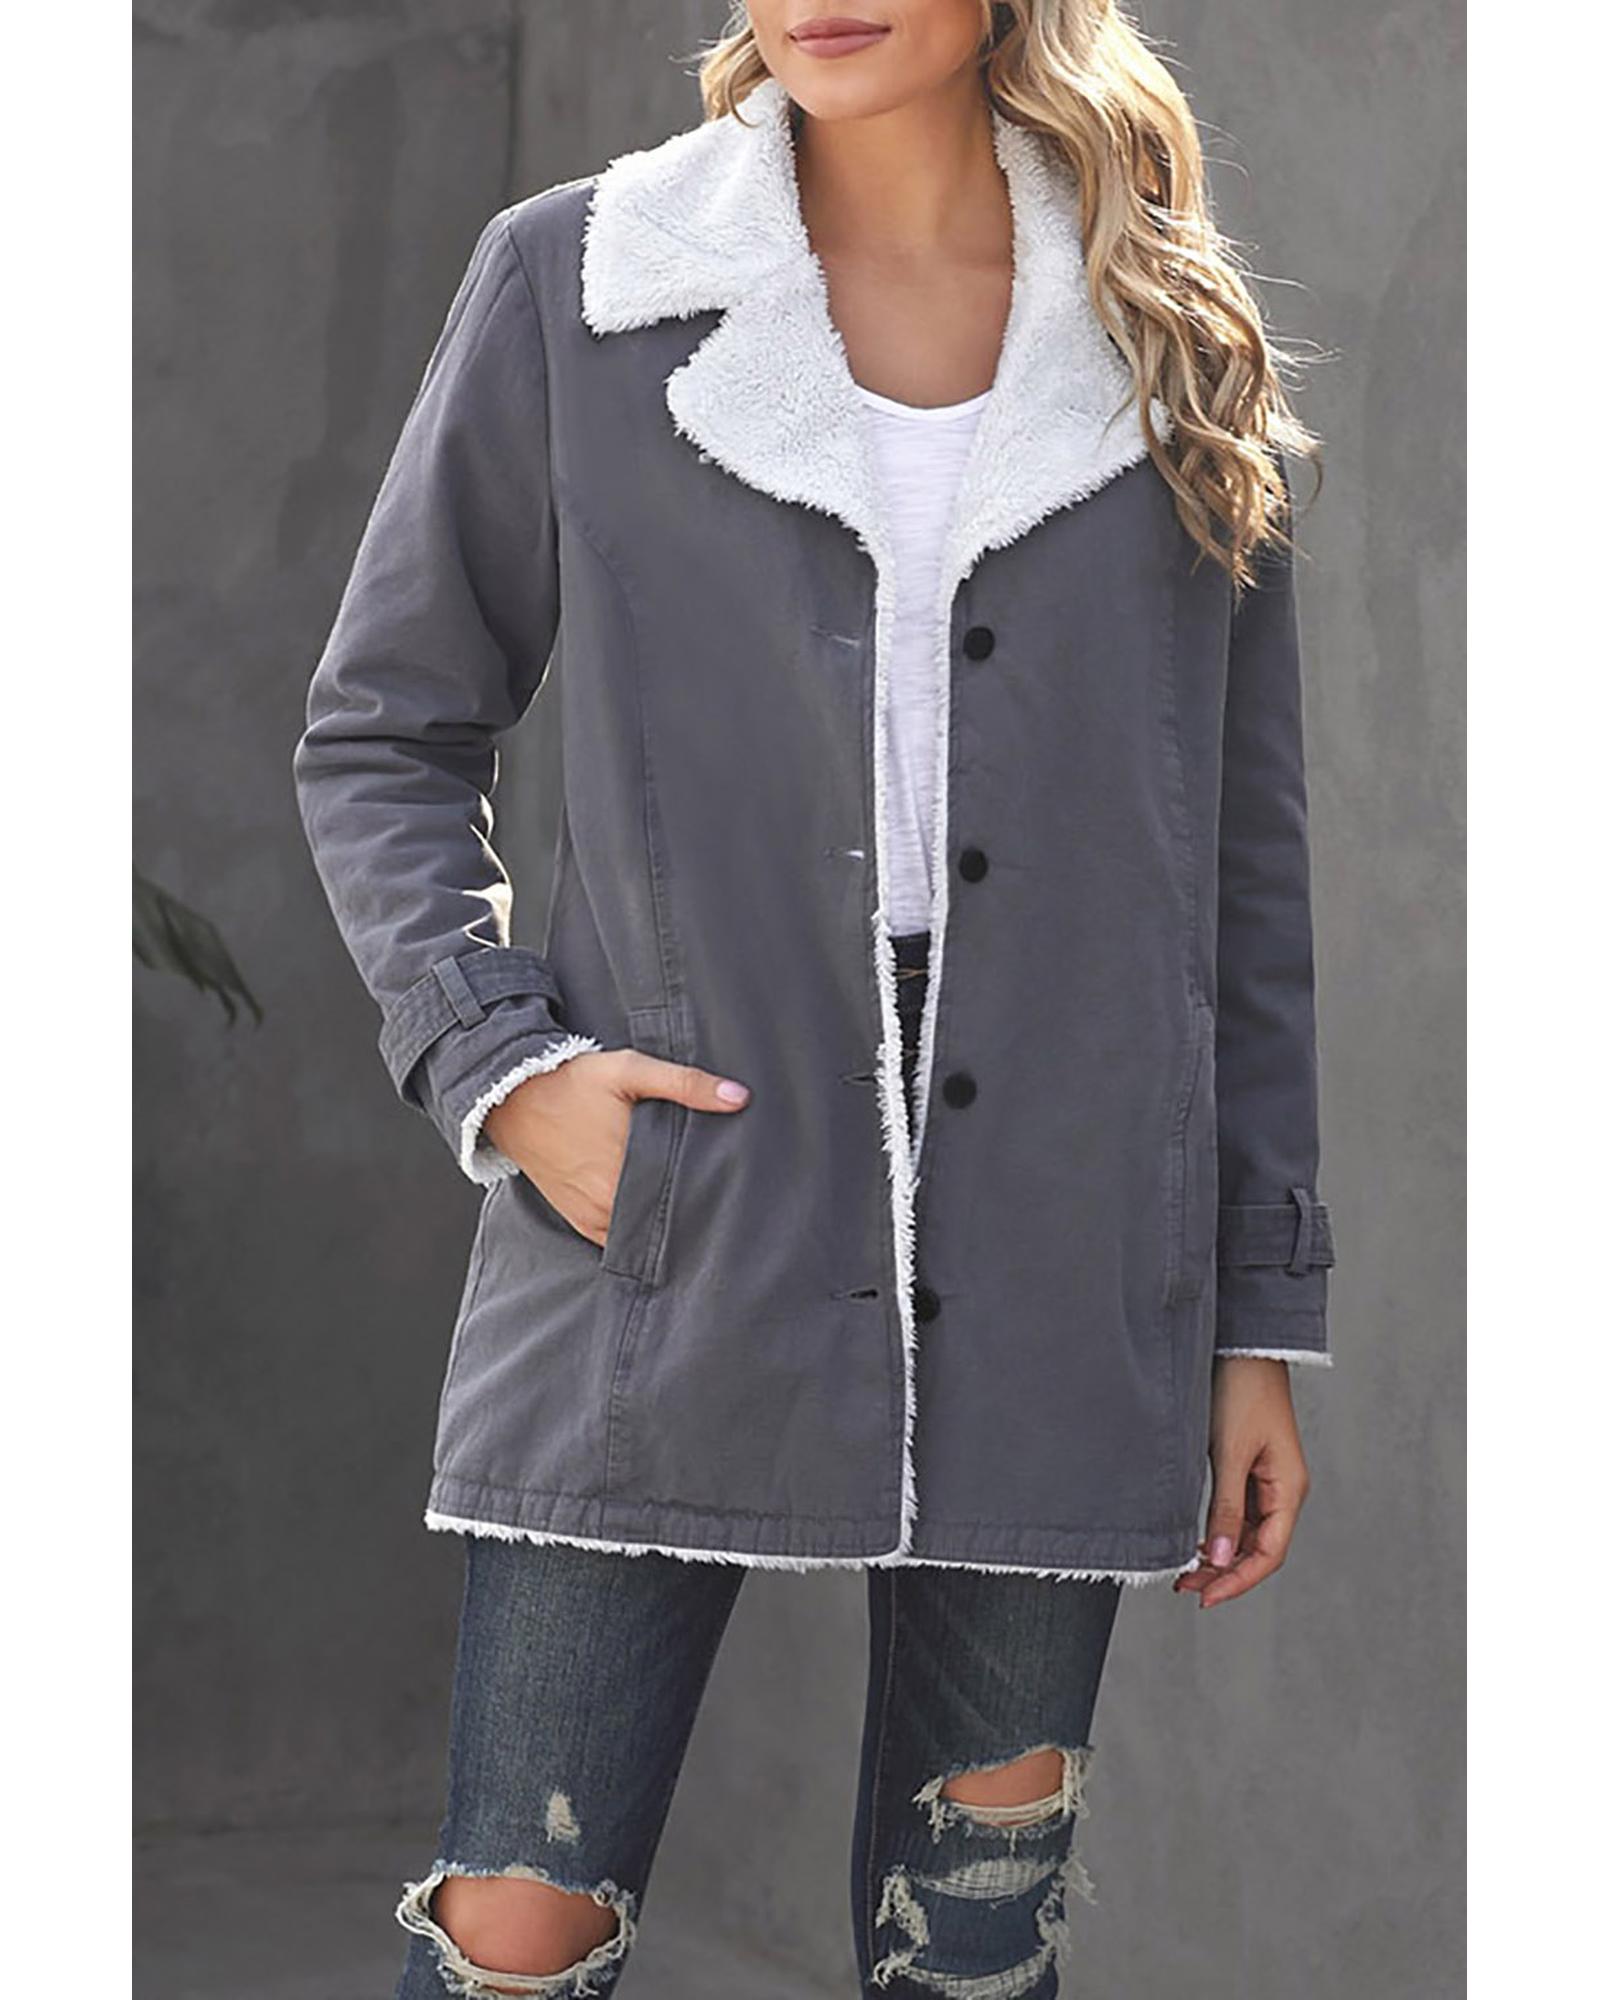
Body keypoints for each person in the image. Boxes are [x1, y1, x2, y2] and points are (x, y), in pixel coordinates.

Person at [292, 4, 1338, 1994]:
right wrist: (504, 1068)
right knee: (519, 1929)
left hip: (1064, 1234)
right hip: (681, 1203)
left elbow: (1239, 869)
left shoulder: (1166, 332)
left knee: (974, 1941)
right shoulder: (576, 281)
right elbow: (382, 732)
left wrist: (1253, 1312)